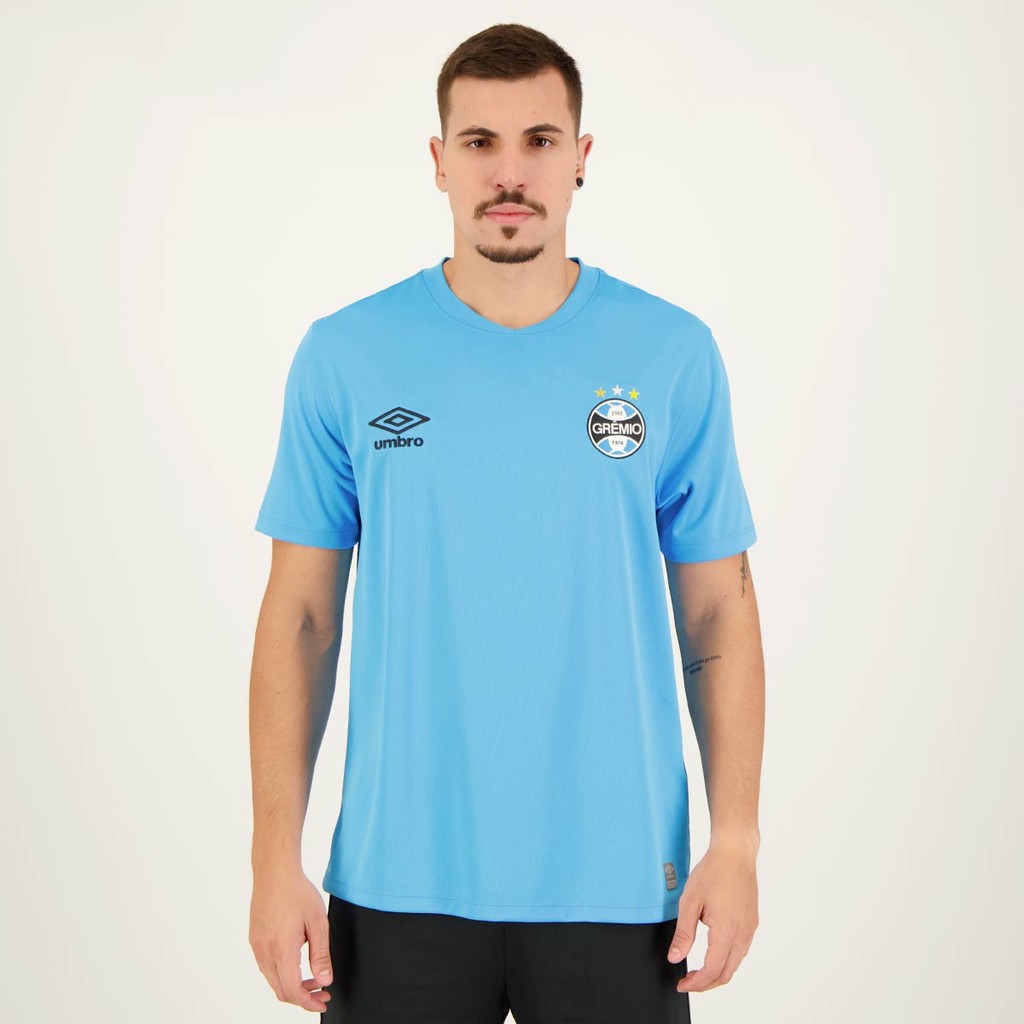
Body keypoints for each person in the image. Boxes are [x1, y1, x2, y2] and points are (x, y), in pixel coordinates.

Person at [248, 21, 764, 1023]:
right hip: (397, 883)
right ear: (438, 161)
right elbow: (300, 619)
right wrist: (275, 859)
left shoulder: (670, 353)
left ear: (581, 157)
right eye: (480, 142)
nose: (510, 172)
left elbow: (719, 613)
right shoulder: (347, 356)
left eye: (539, 139)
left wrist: (735, 840)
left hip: (622, 884)